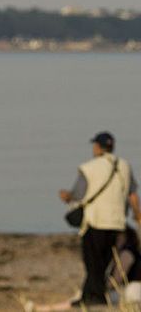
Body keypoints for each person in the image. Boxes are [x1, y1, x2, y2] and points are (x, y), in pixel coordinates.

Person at [58, 131, 141, 307]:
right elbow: (133, 194)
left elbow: (78, 194)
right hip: (117, 222)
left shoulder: (89, 168)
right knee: (105, 260)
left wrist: (67, 196)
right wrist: (137, 213)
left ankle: (95, 298)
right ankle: (90, 295)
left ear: (97, 147)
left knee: (92, 261)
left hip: (95, 221)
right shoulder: (125, 166)